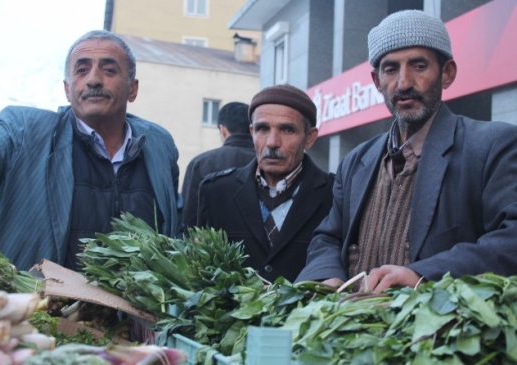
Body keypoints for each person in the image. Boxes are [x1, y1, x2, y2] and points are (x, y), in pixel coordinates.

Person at [296, 10, 517, 292]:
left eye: (419, 66)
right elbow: (328, 237)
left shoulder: (492, 146)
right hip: (353, 329)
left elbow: (512, 238)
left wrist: (422, 275)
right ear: (377, 81)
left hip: (434, 333)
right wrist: (327, 277)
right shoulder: (356, 161)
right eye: (390, 69)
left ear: (447, 74)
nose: (403, 83)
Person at [0, 30, 182, 270]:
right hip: (41, 306)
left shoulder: (159, 145)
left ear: (132, 89)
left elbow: (174, 229)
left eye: (109, 70)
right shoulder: (25, 132)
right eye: (82, 70)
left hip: (136, 308)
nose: (93, 80)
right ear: (67, 89)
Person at [197, 84, 334, 283]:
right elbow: (199, 270)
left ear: (310, 138)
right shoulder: (216, 192)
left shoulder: (334, 195)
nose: (272, 142)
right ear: (252, 132)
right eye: (262, 129)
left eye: (287, 129)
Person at [181, 102, 255, 228]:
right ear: (252, 129)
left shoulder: (201, 163)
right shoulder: (267, 162)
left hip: (212, 246)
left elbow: (189, 216)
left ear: (222, 129)